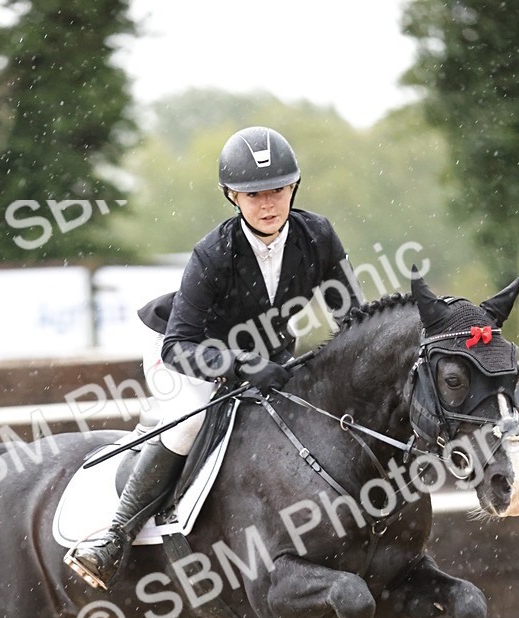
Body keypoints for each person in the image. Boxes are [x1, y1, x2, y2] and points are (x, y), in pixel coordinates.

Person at [66, 125, 364, 590]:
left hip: (267, 354)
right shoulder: (214, 253)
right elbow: (178, 347)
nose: (268, 204)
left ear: (294, 188)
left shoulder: (318, 236)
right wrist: (242, 364)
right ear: (232, 196)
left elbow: (354, 321)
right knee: (188, 420)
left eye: (279, 190)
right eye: (254, 194)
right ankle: (114, 537)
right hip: (187, 352)